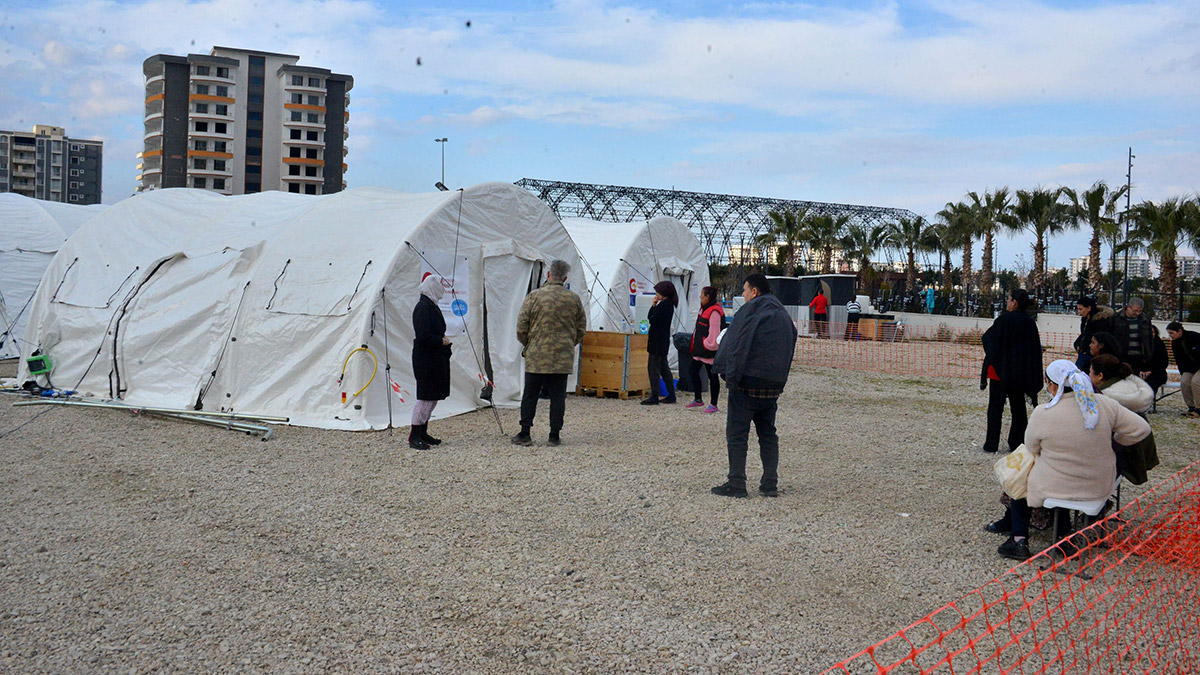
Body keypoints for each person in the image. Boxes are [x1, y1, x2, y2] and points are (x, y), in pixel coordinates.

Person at [991, 360, 1151, 561]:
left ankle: (1019, 539)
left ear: (1054, 385)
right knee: (1062, 478)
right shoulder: (1104, 404)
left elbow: (1031, 447)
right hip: (1098, 486)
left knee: (1019, 482)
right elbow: (1142, 428)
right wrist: (1115, 442)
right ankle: (1063, 539)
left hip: (1057, 485)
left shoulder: (1044, 413)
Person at [710, 274, 798, 498]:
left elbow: (737, 344)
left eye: (745, 290)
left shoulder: (751, 311)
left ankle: (736, 483)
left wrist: (731, 376)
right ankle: (770, 484)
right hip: (772, 385)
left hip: (747, 383)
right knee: (768, 433)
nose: (744, 295)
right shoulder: (783, 314)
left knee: (737, 434)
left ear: (755, 292)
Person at [512, 260, 587, 447]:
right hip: (561, 358)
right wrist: (568, 344)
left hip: (537, 356)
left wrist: (529, 344)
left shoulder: (534, 296)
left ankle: (525, 433)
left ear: (548, 274)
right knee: (557, 397)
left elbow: (521, 327)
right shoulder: (574, 299)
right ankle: (554, 435)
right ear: (565, 278)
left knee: (530, 395)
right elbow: (581, 329)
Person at [980, 289, 1043, 453]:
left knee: (995, 408)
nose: (1007, 302)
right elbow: (1034, 350)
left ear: (1014, 302)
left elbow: (988, 339)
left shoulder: (1003, 320)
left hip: (1000, 372)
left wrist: (996, 357)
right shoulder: (1030, 323)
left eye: (1008, 299)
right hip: (1020, 373)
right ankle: (1017, 442)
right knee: (1019, 408)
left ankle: (991, 443)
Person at [1089, 354, 1159, 485]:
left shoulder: (1106, 397)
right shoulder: (1128, 385)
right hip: (1140, 445)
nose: (1088, 376)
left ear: (1100, 376)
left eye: (1090, 372)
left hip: (1126, 450)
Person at [409, 274, 452, 450]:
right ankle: (414, 435)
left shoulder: (431, 305)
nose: (443, 289)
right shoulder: (423, 307)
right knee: (425, 397)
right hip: (426, 359)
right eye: (440, 285)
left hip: (434, 358)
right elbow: (423, 336)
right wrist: (441, 341)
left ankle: (423, 431)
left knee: (433, 396)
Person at [687, 287, 724, 414]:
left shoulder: (714, 312)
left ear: (707, 297)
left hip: (709, 351)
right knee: (692, 371)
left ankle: (714, 404)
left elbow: (715, 332)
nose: (700, 297)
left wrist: (708, 344)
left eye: (702, 295)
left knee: (712, 377)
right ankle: (698, 399)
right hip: (700, 350)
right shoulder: (704, 309)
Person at [641, 281, 678, 406]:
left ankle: (654, 395)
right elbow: (651, 317)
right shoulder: (668, 304)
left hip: (657, 341)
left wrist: (654, 307)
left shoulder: (665, 305)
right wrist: (654, 305)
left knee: (653, 368)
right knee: (663, 367)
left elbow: (652, 319)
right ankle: (671, 393)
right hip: (662, 341)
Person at [1110, 297, 1153, 374]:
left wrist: (1148, 355)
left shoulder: (1145, 319)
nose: (1137, 313)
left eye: (1140, 311)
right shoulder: (1116, 318)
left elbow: (1149, 339)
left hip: (1139, 358)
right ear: (1128, 307)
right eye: (1135, 311)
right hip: (1121, 357)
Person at [1167, 321, 1200, 418]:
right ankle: (1191, 407)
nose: (1170, 336)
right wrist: (1183, 373)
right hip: (1190, 368)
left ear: (1180, 331)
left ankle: (1199, 409)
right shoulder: (1175, 343)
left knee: (1196, 382)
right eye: (1169, 334)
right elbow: (1179, 360)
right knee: (1184, 382)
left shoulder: (1195, 337)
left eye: (1172, 333)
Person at [1073, 296, 1114, 372]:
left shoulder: (1100, 321)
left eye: (1081, 309)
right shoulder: (1085, 319)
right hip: (1084, 353)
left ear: (1089, 308)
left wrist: (1087, 350)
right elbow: (1084, 334)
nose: (1079, 312)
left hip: (1093, 354)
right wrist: (1077, 344)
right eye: (1078, 309)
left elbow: (1099, 338)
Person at [1141, 324, 1169, 396]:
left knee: (1150, 384)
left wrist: (1150, 371)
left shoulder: (1160, 345)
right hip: (1141, 372)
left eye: (1152, 332)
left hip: (1157, 373)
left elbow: (1164, 363)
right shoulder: (1139, 345)